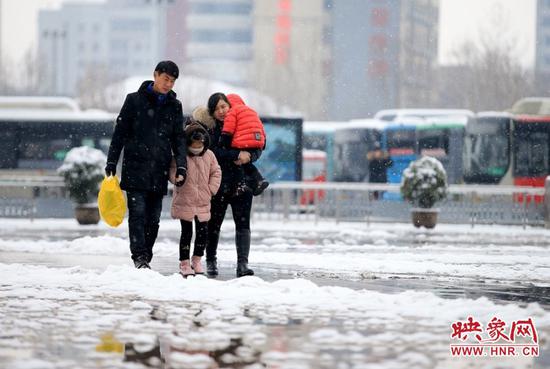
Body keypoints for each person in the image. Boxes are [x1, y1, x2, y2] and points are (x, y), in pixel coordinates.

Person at [105, 60, 187, 269]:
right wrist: (112, 161)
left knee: (154, 219)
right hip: (135, 167)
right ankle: (139, 256)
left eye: (172, 81)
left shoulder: (175, 106)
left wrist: (182, 166)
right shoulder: (134, 100)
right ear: (155, 75)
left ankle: (146, 256)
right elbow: (120, 133)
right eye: (166, 79)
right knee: (138, 214)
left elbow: (179, 139)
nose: (168, 84)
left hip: (159, 169)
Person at [204, 92, 261, 278]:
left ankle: (242, 264)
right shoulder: (211, 130)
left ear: (230, 106)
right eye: (217, 108)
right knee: (214, 224)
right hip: (219, 184)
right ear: (212, 113)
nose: (222, 111)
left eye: (224, 106)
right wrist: (236, 155)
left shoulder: (242, 124)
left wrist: (250, 156)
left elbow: (257, 147)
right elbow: (214, 152)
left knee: (243, 224)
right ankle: (211, 260)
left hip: (241, 183)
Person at [169, 123, 221, 278]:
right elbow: (173, 169)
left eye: (200, 144)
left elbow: (216, 172)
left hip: (203, 200)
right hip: (185, 198)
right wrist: (176, 178)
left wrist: (211, 189)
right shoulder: (181, 155)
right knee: (186, 232)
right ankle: (184, 262)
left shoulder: (210, 155)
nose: (198, 147)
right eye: (194, 145)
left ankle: (197, 259)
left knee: (202, 233)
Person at [220, 94, 269, 196]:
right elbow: (261, 128)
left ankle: (247, 184)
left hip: (242, 143)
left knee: (241, 162)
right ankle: (259, 180)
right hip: (256, 142)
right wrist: (262, 144)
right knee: (246, 163)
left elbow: (228, 129)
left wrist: (225, 143)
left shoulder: (232, 111)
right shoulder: (251, 111)